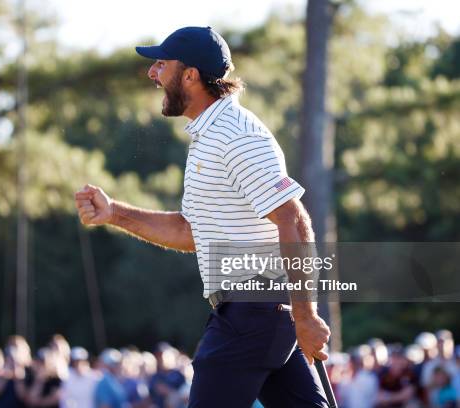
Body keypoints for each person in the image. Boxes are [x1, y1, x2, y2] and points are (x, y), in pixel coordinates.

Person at [75, 26, 330, 407]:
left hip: (250, 314)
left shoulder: (235, 135)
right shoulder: (210, 137)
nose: (152, 74)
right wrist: (114, 213)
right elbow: (189, 232)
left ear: (190, 75)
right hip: (261, 315)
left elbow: (293, 219)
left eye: (162, 64)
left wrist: (306, 314)